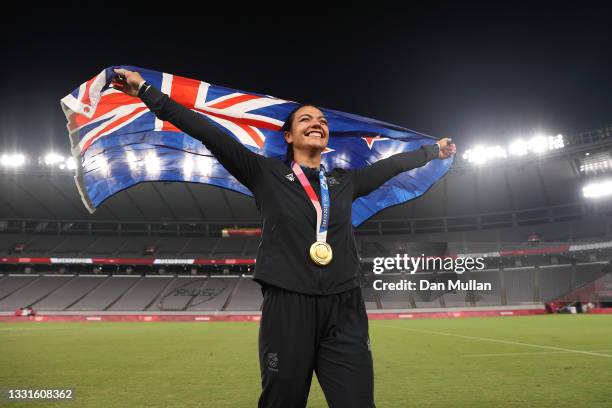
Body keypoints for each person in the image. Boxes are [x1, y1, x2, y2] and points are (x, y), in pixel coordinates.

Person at [112, 68, 456, 408]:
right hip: (289, 307)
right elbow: (208, 132)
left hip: (345, 307)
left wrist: (432, 151)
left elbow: (391, 166)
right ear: (288, 136)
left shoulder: (344, 182)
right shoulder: (263, 174)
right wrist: (145, 91)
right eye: (305, 119)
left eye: (321, 120)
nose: (316, 123)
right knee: (282, 402)